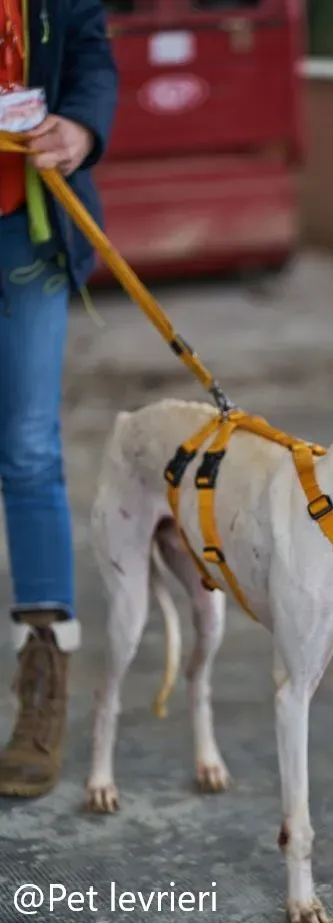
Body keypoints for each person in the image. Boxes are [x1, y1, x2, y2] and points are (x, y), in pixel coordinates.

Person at [0, 0, 118, 797]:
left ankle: (42, 681)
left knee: (29, 447)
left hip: (25, 230)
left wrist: (78, 128)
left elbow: (91, 59)